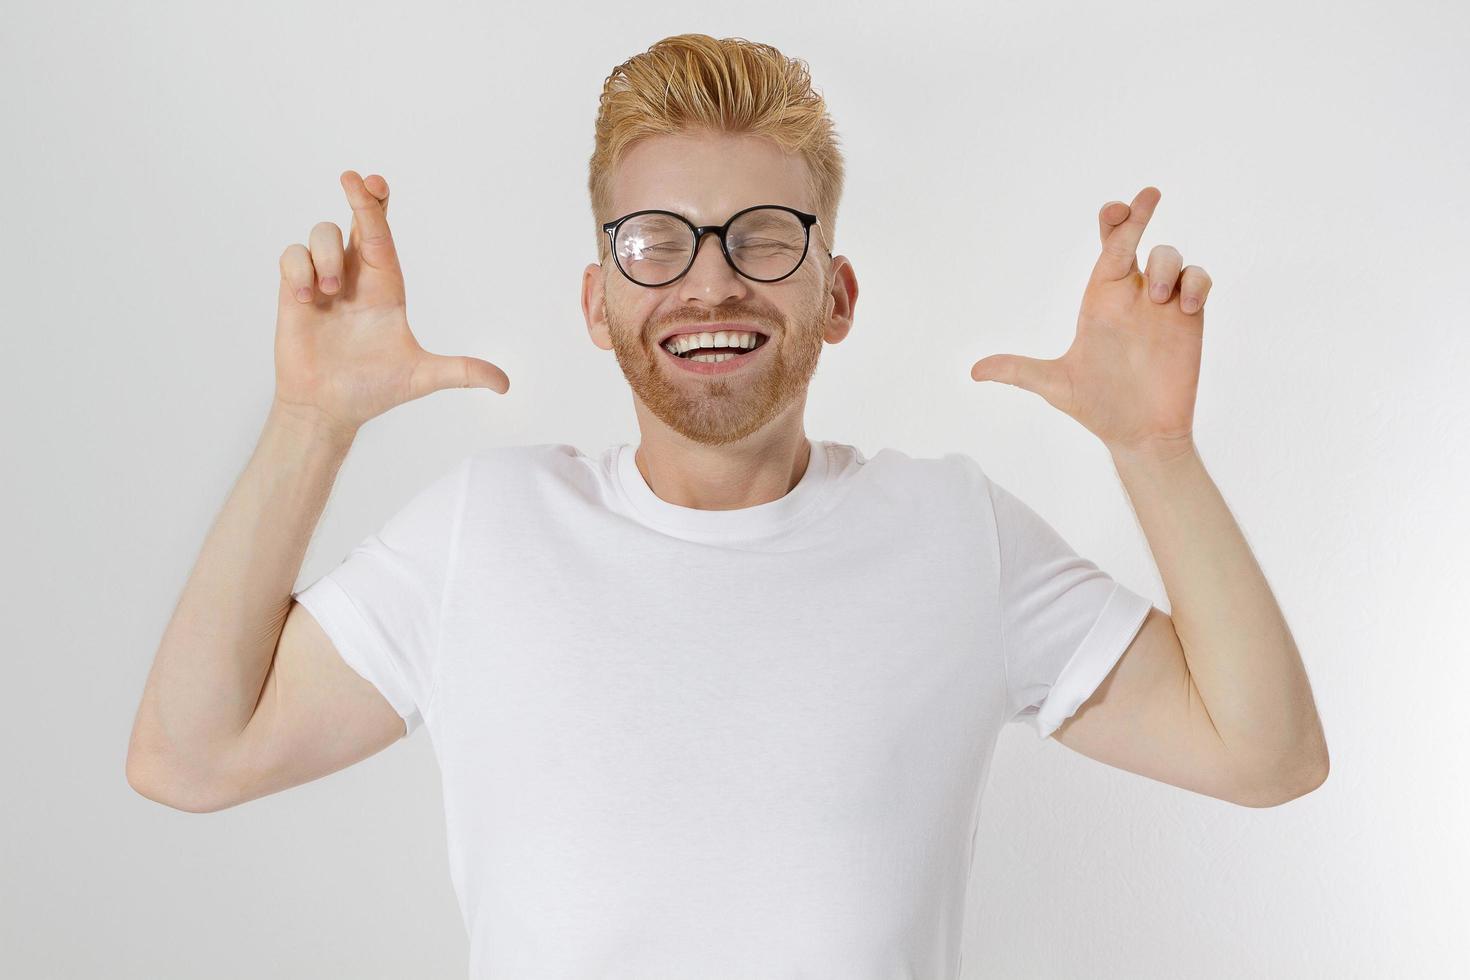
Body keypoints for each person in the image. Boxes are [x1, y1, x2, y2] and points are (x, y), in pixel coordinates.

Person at [126, 33, 1329, 980]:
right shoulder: (480, 531)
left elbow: (1265, 752)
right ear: (596, 299)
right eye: (658, 241)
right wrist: (310, 421)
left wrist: (1154, 446)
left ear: (837, 291)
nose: (710, 279)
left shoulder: (955, 531)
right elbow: (190, 755)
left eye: (764, 238)